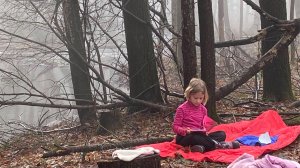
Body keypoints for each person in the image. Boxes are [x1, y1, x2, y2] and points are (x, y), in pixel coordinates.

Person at [172, 78, 240, 153]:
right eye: (195, 98)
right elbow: (175, 127)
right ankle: (219, 145)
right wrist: (185, 131)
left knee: (221, 134)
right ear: (189, 95)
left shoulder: (203, 109)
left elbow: (202, 126)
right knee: (194, 137)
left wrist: (204, 130)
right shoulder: (181, 109)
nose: (198, 101)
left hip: (200, 136)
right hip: (185, 137)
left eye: (201, 98)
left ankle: (200, 147)